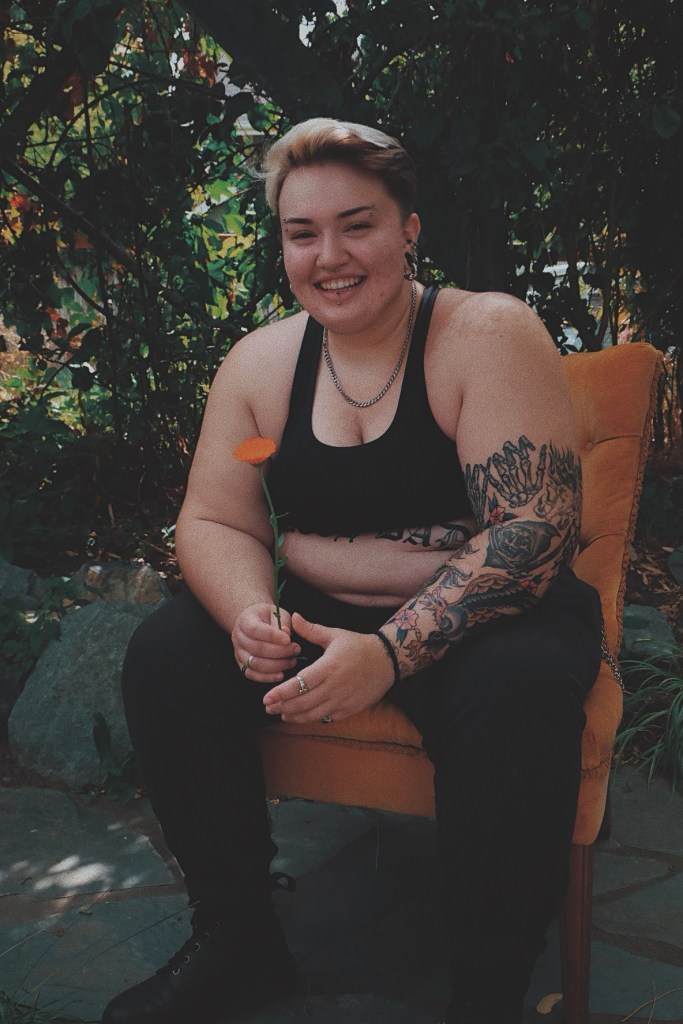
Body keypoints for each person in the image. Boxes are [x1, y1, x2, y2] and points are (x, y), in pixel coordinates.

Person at [101, 118, 603, 1024]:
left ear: (408, 229)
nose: (328, 257)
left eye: (356, 225)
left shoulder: (484, 333)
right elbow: (213, 518)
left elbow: (532, 532)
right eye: (302, 233)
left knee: (517, 689)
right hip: (317, 610)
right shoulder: (260, 363)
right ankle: (237, 939)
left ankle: (488, 987)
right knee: (168, 653)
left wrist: (389, 651)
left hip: (490, 616)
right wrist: (251, 611)